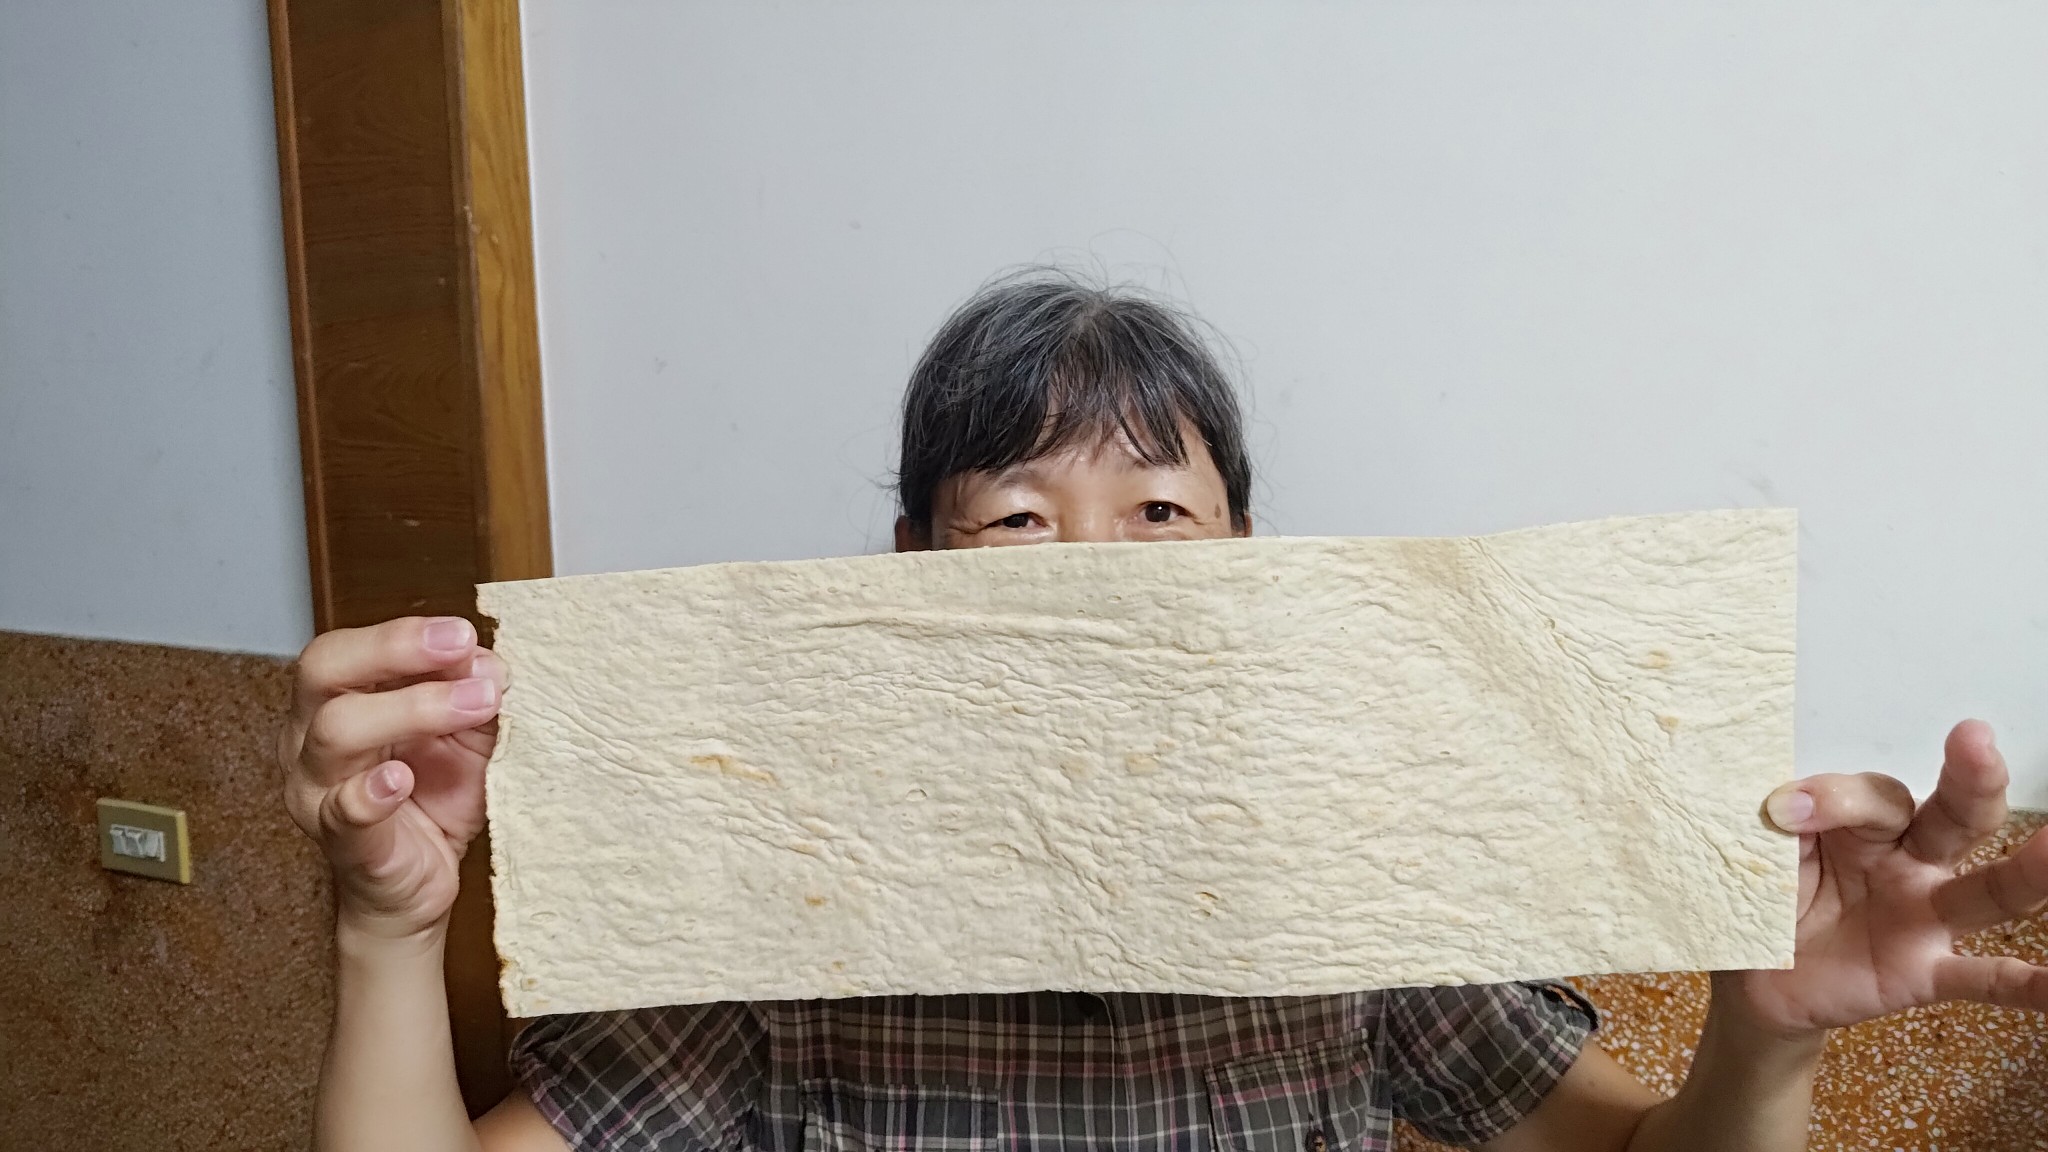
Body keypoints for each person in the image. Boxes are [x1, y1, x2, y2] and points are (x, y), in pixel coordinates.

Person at [280, 271, 2047, 1152]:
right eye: (1015, 521)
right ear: (905, 579)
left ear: (1250, 569)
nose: (1093, 576)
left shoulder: (1362, 903)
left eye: (1159, 514)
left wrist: (1770, 1032)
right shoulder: (782, 937)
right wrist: (388, 927)